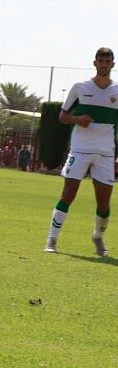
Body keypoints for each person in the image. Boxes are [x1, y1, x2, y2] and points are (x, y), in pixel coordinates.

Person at [44, 47, 116, 257]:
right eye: (100, 60)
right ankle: (52, 239)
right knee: (68, 195)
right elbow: (62, 116)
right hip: (80, 150)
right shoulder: (79, 87)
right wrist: (77, 120)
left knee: (104, 203)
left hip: (105, 153)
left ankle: (98, 237)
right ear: (94, 63)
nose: (103, 64)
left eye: (107, 61)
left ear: (113, 64)